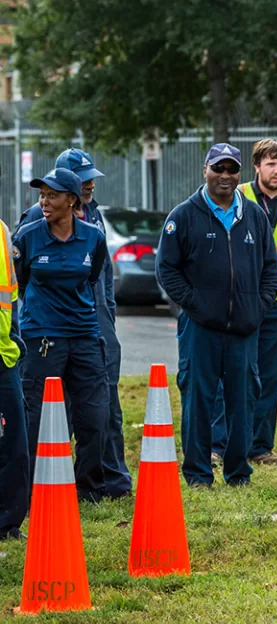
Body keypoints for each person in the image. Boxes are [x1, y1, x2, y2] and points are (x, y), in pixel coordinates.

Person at [156, 143, 277, 488]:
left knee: (243, 400)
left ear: (240, 174)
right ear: (205, 170)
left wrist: (258, 307)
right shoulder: (183, 216)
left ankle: (238, 473)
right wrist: (195, 305)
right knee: (198, 398)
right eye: (218, 169)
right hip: (200, 328)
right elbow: (167, 270)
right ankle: (198, 473)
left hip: (244, 327)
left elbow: (271, 269)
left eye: (231, 170)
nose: (225, 176)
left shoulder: (255, 215)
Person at [18, 148, 132, 497]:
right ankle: (34, 486)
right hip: (43, 338)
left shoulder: (93, 236)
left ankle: (89, 488)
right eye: (42, 195)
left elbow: (95, 276)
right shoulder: (28, 233)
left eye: (53, 196)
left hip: (84, 335)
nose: (45, 201)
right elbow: (21, 281)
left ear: (71, 200)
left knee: (94, 416)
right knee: (36, 415)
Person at [209, 139, 277, 467]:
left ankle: (259, 447)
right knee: (233, 373)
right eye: (271, 164)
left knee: (270, 376)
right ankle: (219, 445)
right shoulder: (238, 198)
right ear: (256, 167)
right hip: (240, 300)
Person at [0, 216, 29, 539]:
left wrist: (14, 341)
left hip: (3, 353)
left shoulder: (2, 231)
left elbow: (11, 293)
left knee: (13, 444)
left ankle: (7, 522)